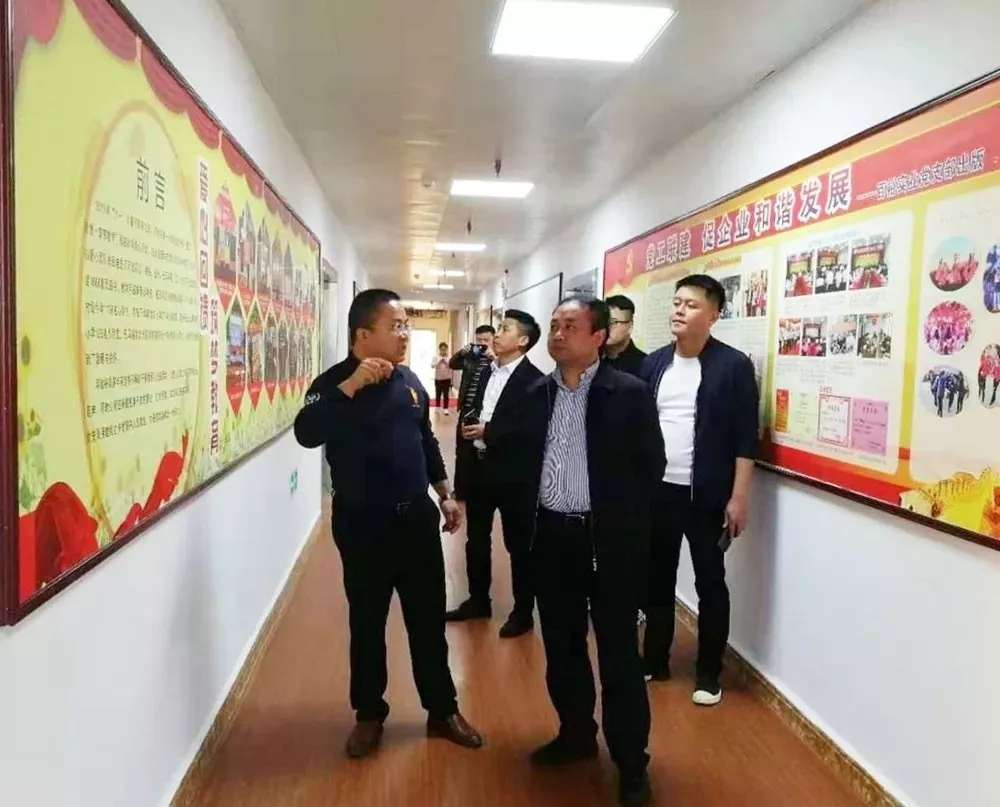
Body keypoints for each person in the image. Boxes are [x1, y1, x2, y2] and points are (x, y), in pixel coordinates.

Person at [293, 289, 483, 759]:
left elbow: (425, 441)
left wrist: (445, 494)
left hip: (415, 521)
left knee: (427, 622)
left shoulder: (410, 381)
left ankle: (442, 710)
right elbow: (306, 432)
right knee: (367, 622)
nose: (404, 335)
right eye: (395, 326)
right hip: (362, 524)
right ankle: (369, 714)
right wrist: (351, 385)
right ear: (363, 334)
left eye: (405, 327)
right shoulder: (331, 384)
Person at [492, 296, 665, 807]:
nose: (558, 334)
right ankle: (575, 734)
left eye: (570, 326)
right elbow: (514, 461)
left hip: (608, 542)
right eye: (554, 325)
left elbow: (650, 466)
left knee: (618, 654)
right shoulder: (534, 394)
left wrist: (624, 526)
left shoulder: (628, 393)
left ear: (598, 337)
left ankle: (631, 762)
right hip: (551, 539)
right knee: (562, 646)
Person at [639, 274, 759, 707]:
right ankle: (654, 659)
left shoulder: (733, 366)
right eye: (676, 302)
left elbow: (746, 438)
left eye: (690, 305)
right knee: (657, 580)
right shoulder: (654, 364)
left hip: (706, 495)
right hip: (658, 491)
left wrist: (739, 496)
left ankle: (709, 672)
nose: (679, 310)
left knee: (710, 582)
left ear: (713, 315)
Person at [446, 310, 543, 638]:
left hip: (515, 475)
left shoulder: (535, 381)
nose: (497, 334)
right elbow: (472, 406)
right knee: (476, 539)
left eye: (505, 329)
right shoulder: (486, 370)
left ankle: (522, 612)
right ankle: (478, 600)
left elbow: (532, 430)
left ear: (523, 340)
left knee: (519, 545)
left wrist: (490, 431)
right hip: (480, 468)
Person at [450, 325, 496, 500]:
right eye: (479, 340)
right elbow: (453, 364)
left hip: (483, 413)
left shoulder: (497, 360)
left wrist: (494, 359)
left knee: (480, 454)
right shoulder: (471, 356)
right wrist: (462, 352)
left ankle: (478, 492)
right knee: (462, 453)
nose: (482, 343)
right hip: (466, 410)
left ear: (494, 339)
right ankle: (459, 491)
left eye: (486, 340)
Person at [604, 294, 647, 377]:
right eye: (604, 321)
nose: (607, 327)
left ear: (630, 326)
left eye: (613, 322)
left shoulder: (645, 364)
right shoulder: (592, 359)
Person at [432, 342, 453, 412]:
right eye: (442, 350)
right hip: (438, 379)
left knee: (446, 394)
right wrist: (439, 361)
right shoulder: (436, 357)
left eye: (444, 350)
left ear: (446, 349)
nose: (443, 351)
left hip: (447, 379)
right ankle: (437, 407)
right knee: (438, 394)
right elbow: (432, 365)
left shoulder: (449, 357)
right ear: (439, 349)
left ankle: (445, 408)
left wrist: (446, 362)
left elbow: (452, 366)